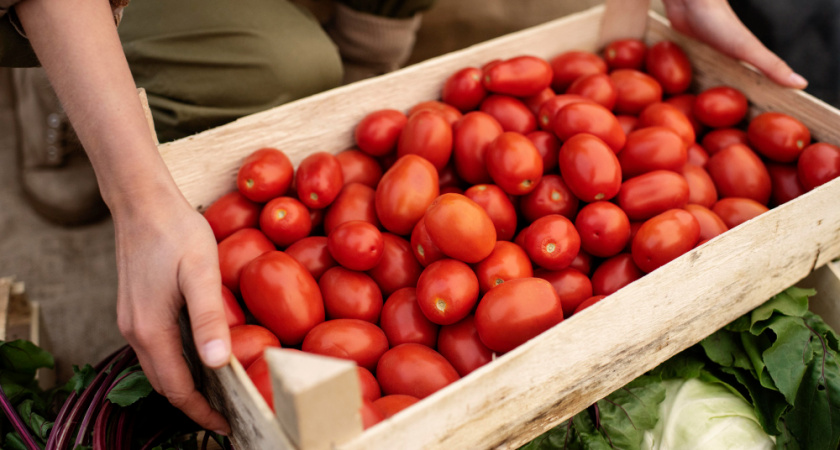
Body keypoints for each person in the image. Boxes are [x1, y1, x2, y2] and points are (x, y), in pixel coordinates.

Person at [1, 0, 809, 436]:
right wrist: (139, 196)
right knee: (276, 70)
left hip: (463, 246)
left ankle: (352, 45)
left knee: (319, 81)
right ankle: (77, 78)